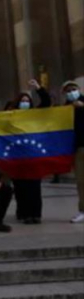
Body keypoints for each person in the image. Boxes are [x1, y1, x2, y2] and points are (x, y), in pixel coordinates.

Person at [12, 80, 51, 224]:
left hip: (33, 155)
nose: (25, 103)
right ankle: (24, 212)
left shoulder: (35, 114)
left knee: (35, 186)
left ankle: (36, 214)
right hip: (17, 156)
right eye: (22, 100)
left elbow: (46, 102)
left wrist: (38, 89)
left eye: (27, 101)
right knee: (21, 187)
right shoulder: (12, 116)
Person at [62, 80, 84, 223]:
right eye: (68, 91)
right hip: (78, 148)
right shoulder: (65, 108)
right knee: (81, 181)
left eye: (73, 89)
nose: (71, 92)